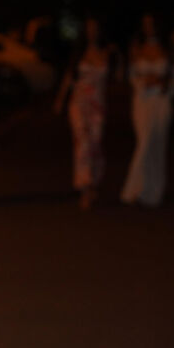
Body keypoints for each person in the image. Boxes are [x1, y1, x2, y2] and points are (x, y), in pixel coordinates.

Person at [54, 16, 121, 209]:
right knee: (82, 142)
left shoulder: (106, 52)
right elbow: (69, 77)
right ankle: (85, 186)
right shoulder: (79, 53)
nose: (92, 32)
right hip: (78, 103)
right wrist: (60, 100)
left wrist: (118, 56)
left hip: (97, 105)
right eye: (89, 28)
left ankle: (95, 178)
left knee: (95, 142)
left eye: (95, 28)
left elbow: (118, 77)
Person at [120, 13, 174, 207]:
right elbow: (132, 76)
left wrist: (161, 82)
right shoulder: (137, 48)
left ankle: (153, 192)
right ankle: (134, 189)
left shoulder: (168, 49)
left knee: (157, 145)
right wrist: (144, 81)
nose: (149, 27)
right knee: (144, 142)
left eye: (152, 23)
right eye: (145, 24)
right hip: (142, 101)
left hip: (160, 101)